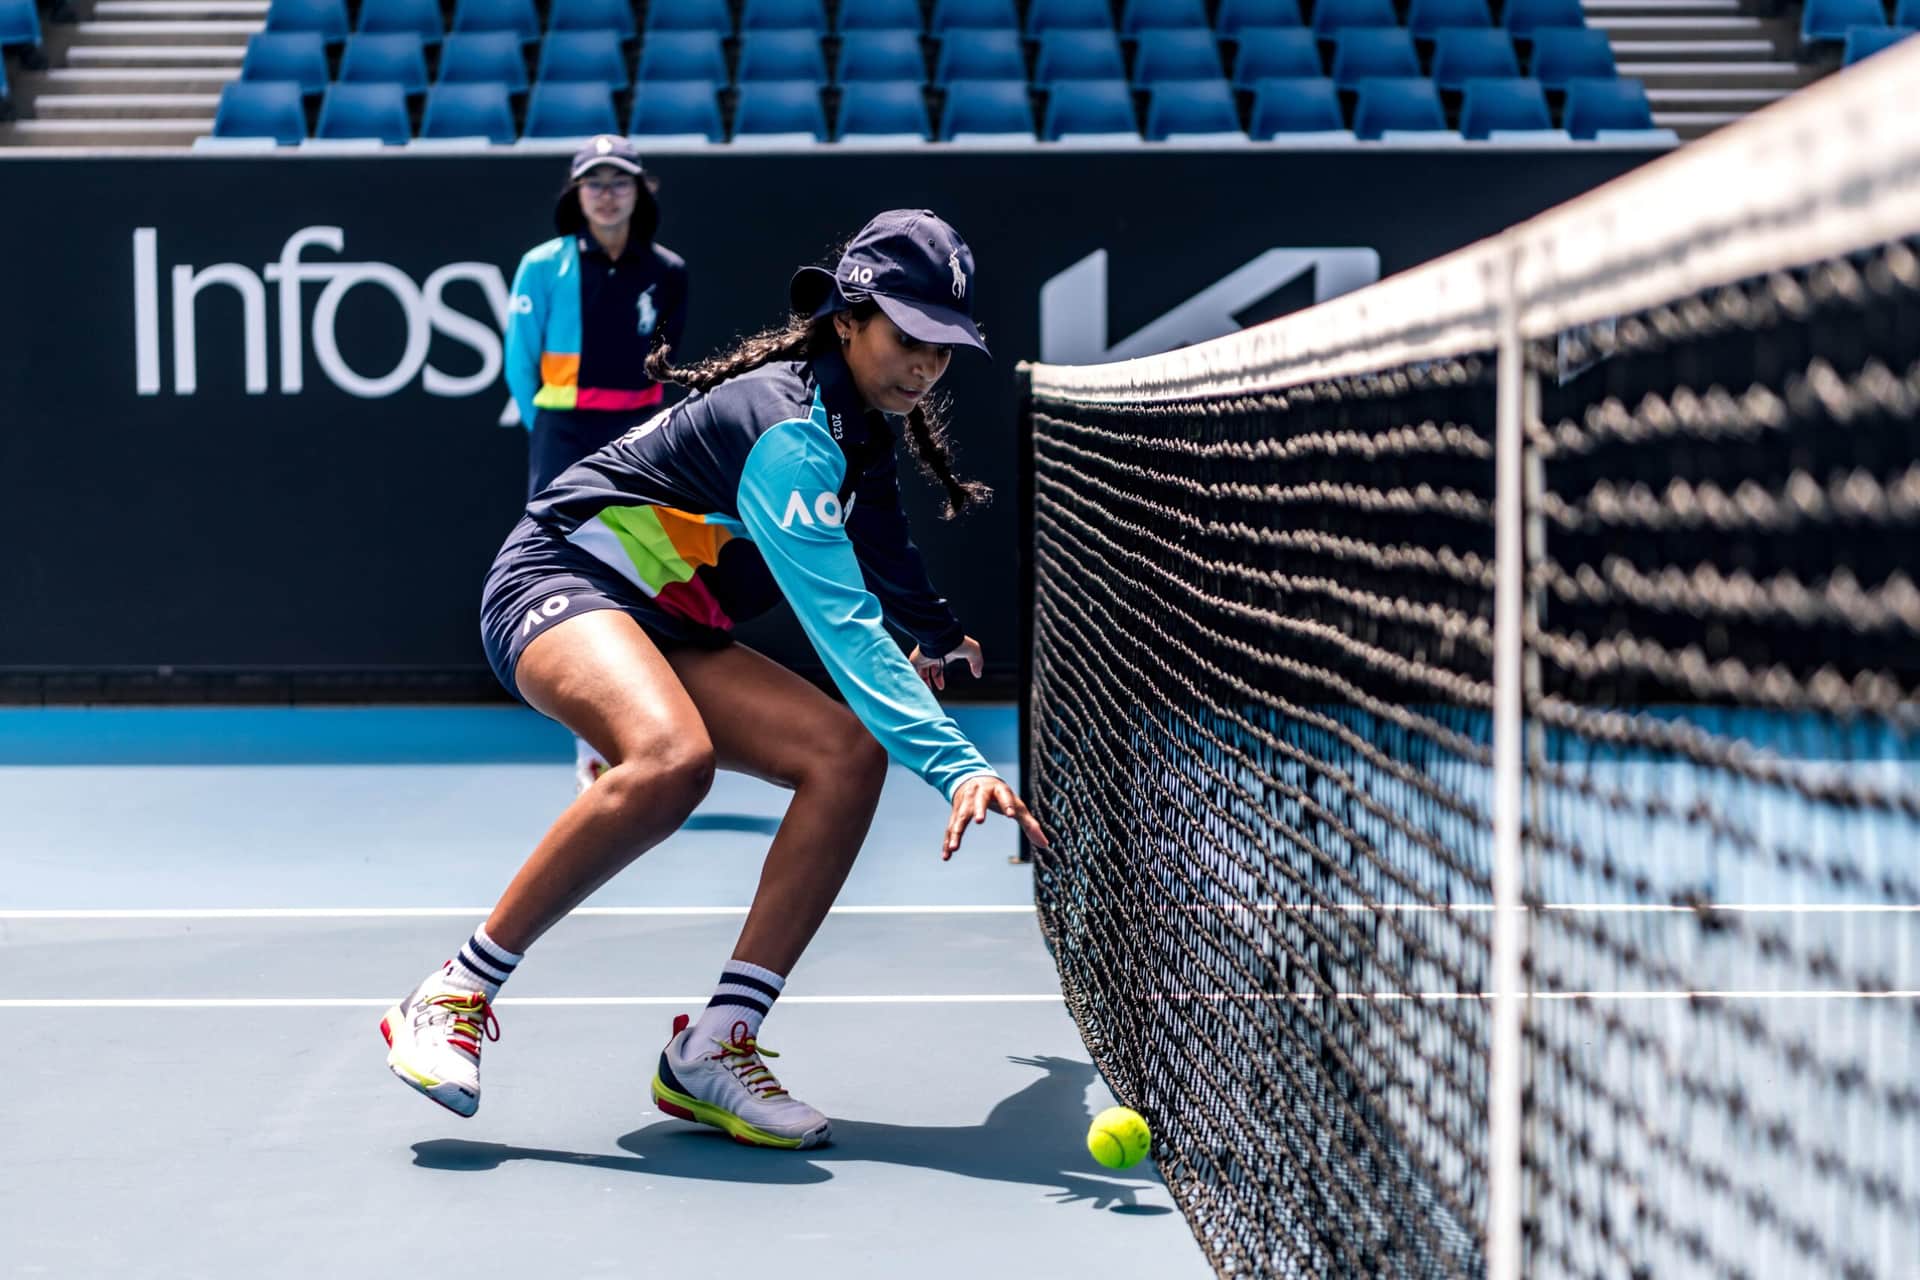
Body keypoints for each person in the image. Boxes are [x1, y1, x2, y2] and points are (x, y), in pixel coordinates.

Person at [382, 210, 1048, 1150]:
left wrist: (936, 633)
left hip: (669, 621)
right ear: (849, 319)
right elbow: (846, 630)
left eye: (943, 347)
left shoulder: (854, 429)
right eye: (910, 337)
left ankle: (715, 1047)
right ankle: (455, 991)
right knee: (670, 759)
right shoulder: (788, 436)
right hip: (559, 579)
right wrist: (956, 763)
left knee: (845, 757)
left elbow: (885, 550)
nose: (926, 365)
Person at [505, 134, 689, 792]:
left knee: (641, 574)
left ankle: (644, 732)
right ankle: (591, 744)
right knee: (571, 580)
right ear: (576, 194)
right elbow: (520, 365)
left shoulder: (669, 270)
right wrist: (552, 435)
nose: (607, 194)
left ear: (640, 192)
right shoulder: (542, 266)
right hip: (562, 437)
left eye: (619, 182)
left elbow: (665, 364)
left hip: (637, 440)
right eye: (594, 182)